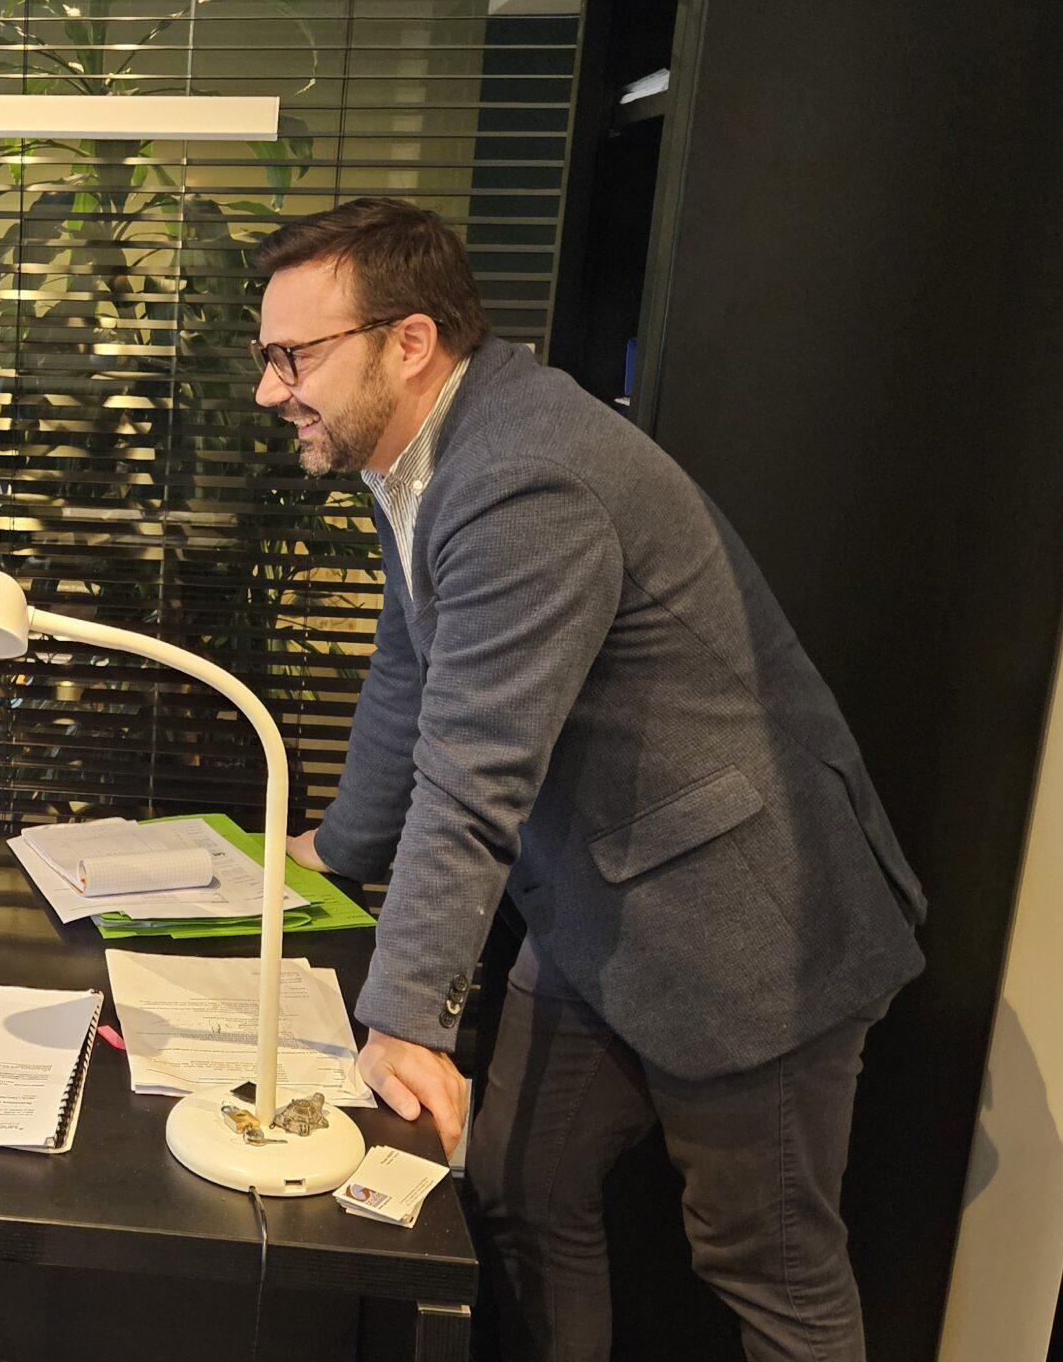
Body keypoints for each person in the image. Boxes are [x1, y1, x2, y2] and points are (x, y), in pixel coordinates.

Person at [253, 198, 925, 1362]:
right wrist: (342, 846)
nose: (270, 390)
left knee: (766, 1264)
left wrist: (404, 1017)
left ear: (407, 342)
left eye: (292, 357)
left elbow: (473, 764)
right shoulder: (420, 453)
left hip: (747, 925)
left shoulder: (523, 477)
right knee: (521, 1183)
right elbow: (411, 669)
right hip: (592, 901)